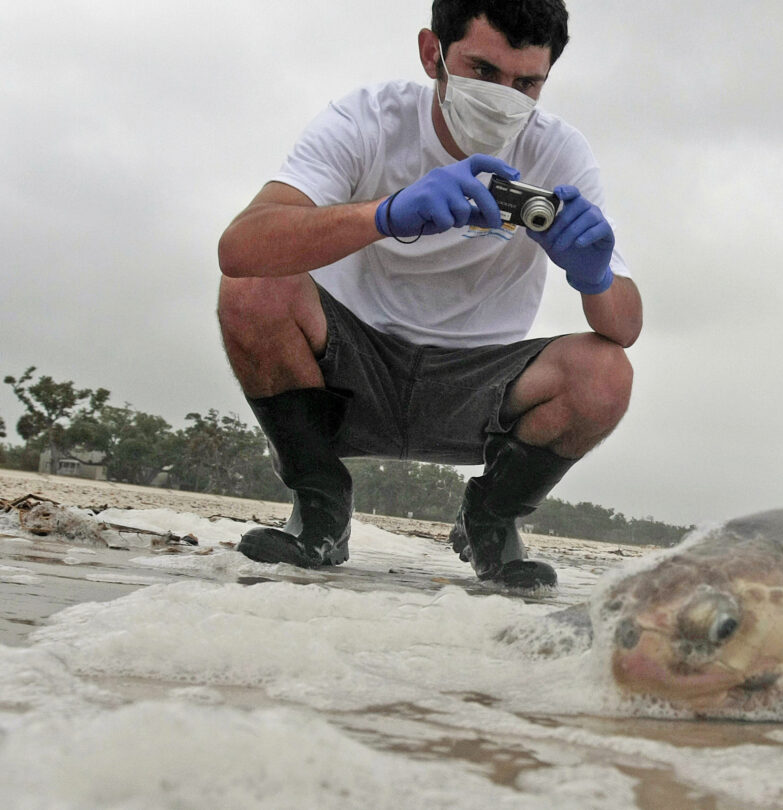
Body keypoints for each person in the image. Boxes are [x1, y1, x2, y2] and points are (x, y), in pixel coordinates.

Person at [216, 0, 640, 589]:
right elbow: (240, 249)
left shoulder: (558, 152)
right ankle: (320, 507)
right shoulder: (368, 118)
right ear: (431, 53)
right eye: (483, 71)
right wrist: (384, 215)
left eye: (527, 83)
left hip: (476, 389)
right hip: (346, 368)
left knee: (605, 372)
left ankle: (490, 519)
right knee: (254, 286)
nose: (504, 96)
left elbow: (624, 328)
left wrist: (594, 275)